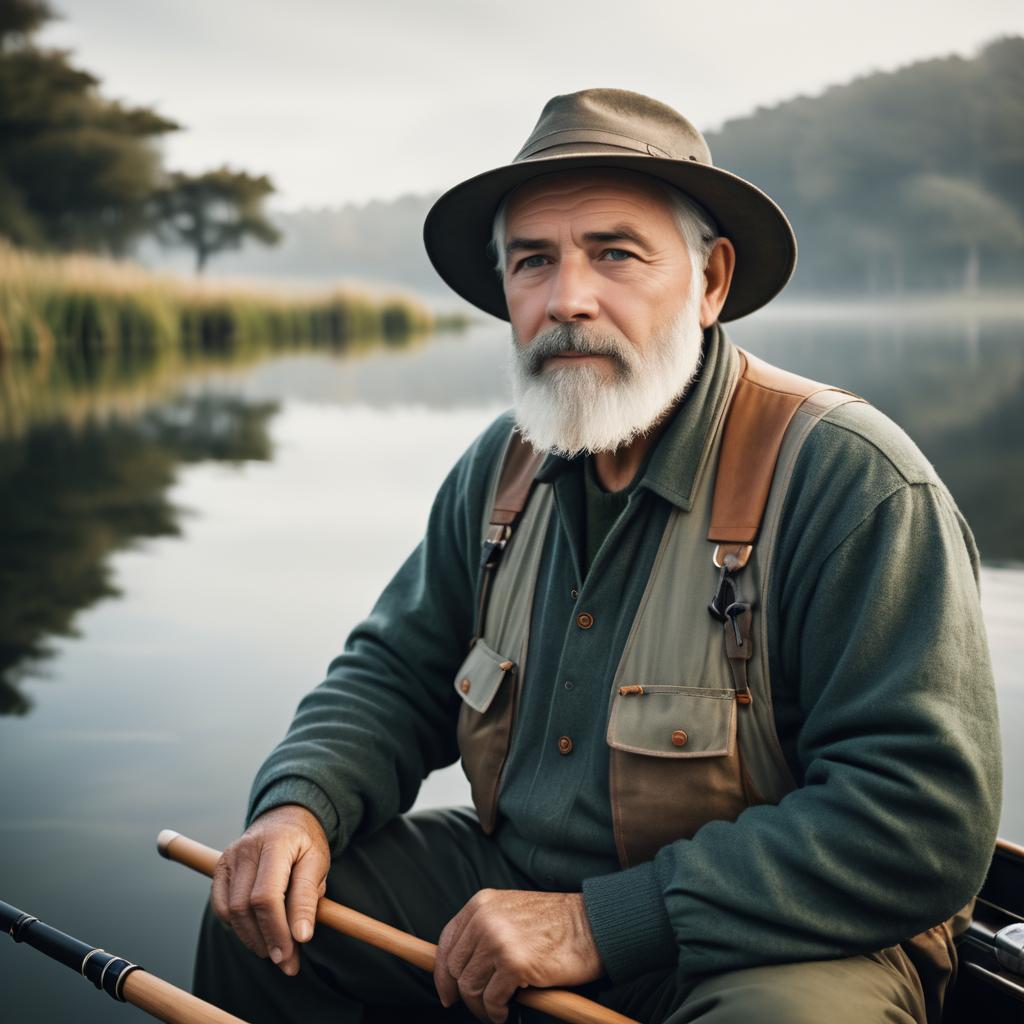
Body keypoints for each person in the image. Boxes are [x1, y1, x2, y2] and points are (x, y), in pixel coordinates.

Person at [192, 89, 1002, 1024]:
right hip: (517, 878)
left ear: (710, 283)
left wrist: (601, 922)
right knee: (271, 927)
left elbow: (923, 822)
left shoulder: (854, 482)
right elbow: (392, 674)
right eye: (533, 261)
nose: (567, 298)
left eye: (614, 253)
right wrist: (299, 805)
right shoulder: (498, 470)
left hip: (783, 933)